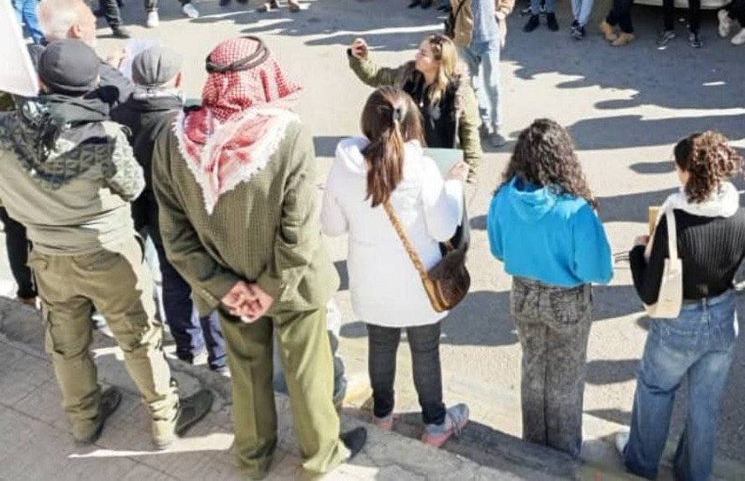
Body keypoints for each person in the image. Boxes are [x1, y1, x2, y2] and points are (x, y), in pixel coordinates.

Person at [152, 37, 366, 477]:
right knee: (308, 377)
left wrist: (226, 288)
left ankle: (251, 460)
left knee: (247, 378)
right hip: (293, 287)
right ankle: (320, 458)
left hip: (228, 286)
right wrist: (268, 290)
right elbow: (299, 233)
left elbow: (175, 237)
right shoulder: (286, 134)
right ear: (261, 76)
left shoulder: (174, 139)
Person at [0, 40, 214, 448]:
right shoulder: (103, 136)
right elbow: (133, 187)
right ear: (93, 83)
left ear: (41, 81)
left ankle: (83, 419)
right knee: (138, 337)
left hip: (46, 255)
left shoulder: (5, 130)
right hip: (107, 254)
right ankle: (164, 417)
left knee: (66, 344)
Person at [621, 131, 745, 480]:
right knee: (704, 406)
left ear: (687, 173)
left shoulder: (673, 221)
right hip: (723, 319)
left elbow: (649, 293)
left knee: (655, 391)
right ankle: (694, 473)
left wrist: (637, 252)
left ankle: (641, 466)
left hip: (678, 321)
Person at [320, 87, 471, 444]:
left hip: (371, 281)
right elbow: (444, 228)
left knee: (381, 345)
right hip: (420, 283)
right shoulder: (423, 168)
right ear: (411, 123)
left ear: (367, 122)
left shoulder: (345, 166)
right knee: (425, 350)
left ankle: (383, 413)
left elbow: (332, 227)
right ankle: (435, 423)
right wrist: (453, 186)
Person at [488, 119, 612, 457]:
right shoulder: (576, 210)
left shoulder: (502, 198)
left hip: (524, 293)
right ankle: (563, 454)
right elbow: (598, 270)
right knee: (565, 378)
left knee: (533, 367)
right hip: (567, 299)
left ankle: (533, 448)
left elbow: (498, 249)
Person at [112, 46, 229, 376]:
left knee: (173, 283)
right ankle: (219, 359)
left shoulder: (120, 114)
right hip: (188, 219)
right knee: (206, 284)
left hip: (147, 217)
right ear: (177, 78)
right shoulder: (185, 121)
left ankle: (187, 350)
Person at [347, 34, 483, 181]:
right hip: (407, 159)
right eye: (419, 51)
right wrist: (360, 59)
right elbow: (377, 76)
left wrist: (470, 168)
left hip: (440, 165)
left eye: (423, 54)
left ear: (438, 62)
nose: (416, 55)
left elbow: (469, 130)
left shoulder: (459, 92)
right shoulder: (408, 76)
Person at [422, 0, 516, 148]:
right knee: (472, 85)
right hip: (465, 40)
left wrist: (502, 12)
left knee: (491, 83)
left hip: (490, 38)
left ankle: (496, 126)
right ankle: (483, 122)